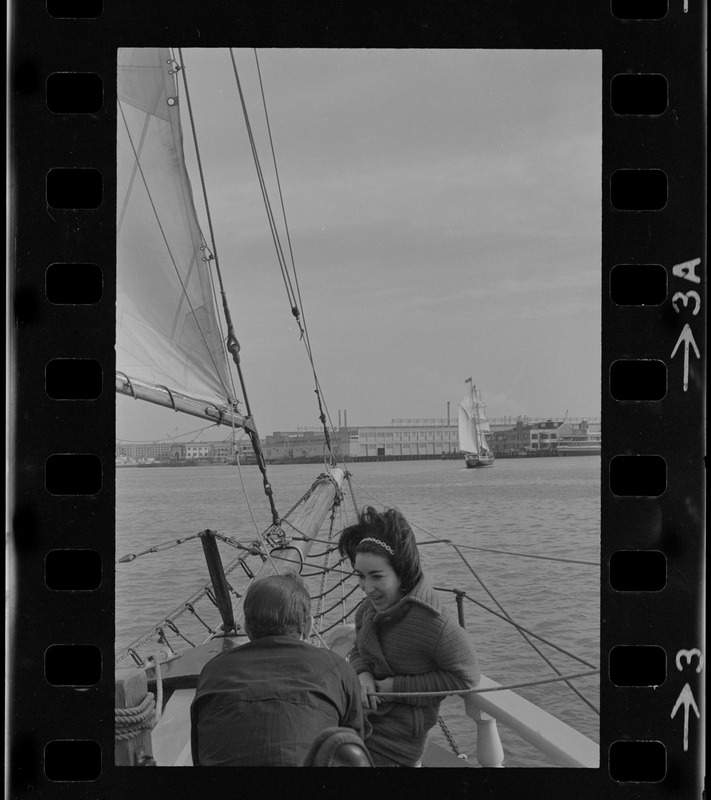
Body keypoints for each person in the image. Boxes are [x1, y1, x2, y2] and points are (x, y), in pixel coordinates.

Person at [338, 506, 480, 767]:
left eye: (377, 576)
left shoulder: (435, 623)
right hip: (358, 724)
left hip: (395, 745)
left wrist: (397, 688)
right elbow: (360, 649)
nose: (367, 588)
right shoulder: (367, 612)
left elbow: (466, 676)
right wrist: (363, 674)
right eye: (360, 576)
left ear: (401, 573)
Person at [190, 573, 365, 766]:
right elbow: (353, 743)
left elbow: (199, 752)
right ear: (307, 625)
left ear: (247, 628)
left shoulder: (214, 669)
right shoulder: (337, 667)